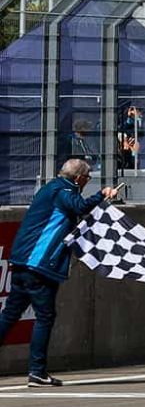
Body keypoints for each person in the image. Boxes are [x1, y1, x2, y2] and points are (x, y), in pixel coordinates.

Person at [0, 159, 117, 387]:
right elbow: (80, 207)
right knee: (45, 316)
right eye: (87, 178)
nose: (87, 181)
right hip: (40, 264)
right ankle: (37, 371)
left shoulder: (49, 188)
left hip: (22, 261)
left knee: (10, 315)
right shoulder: (64, 191)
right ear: (78, 178)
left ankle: (37, 371)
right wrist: (102, 194)